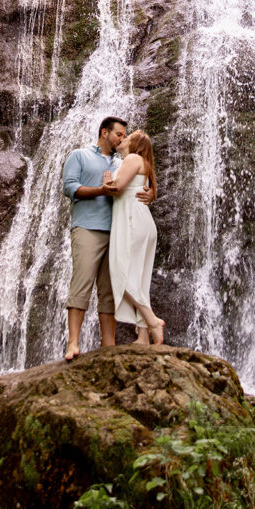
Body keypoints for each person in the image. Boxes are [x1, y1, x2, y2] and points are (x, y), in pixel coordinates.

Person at [62, 117, 152, 361]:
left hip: (116, 230)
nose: (122, 139)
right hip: (87, 227)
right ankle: (73, 343)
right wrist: (102, 190)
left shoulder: (123, 161)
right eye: (119, 134)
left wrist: (151, 192)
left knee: (110, 291)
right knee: (81, 283)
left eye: (125, 135)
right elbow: (70, 188)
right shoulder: (79, 155)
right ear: (104, 133)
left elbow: (141, 180)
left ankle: (108, 346)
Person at [104, 130, 164, 345]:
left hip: (131, 221)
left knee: (121, 274)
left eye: (128, 137)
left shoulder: (132, 158)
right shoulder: (143, 162)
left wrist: (108, 181)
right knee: (139, 279)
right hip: (143, 221)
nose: (123, 138)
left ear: (135, 144)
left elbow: (117, 189)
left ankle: (152, 321)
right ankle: (143, 336)